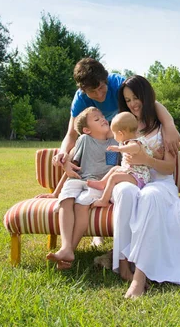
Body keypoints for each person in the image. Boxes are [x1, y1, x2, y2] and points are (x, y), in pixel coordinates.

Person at [51, 57, 180, 246]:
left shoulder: (117, 83)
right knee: (104, 169)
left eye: (101, 88)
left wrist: (169, 125)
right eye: (92, 92)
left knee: (113, 168)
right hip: (107, 142)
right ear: (83, 90)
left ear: (106, 80)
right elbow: (72, 133)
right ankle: (99, 232)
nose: (99, 95)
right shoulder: (80, 99)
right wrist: (63, 153)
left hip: (123, 140)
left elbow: (148, 102)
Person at [109, 75, 180, 298]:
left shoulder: (163, 128)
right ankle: (122, 266)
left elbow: (169, 168)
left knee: (150, 196)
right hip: (132, 180)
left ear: (146, 96)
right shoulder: (126, 126)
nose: (132, 103)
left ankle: (139, 277)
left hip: (160, 183)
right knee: (124, 191)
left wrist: (147, 160)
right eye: (128, 100)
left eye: (136, 97)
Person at [45, 107, 118, 269]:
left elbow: (111, 168)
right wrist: (56, 192)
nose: (103, 119)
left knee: (81, 205)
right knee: (66, 199)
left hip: (98, 183)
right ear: (86, 130)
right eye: (97, 119)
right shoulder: (84, 140)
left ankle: (70, 250)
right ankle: (65, 246)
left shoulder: (113, 143)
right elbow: (73, 167)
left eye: (103, 117)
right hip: (78, 178)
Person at [87, 111, 152, 208]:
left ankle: (103, 200)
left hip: (138, 177)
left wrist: (119, 148)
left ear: (121, 133)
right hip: (131, 172)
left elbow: (135, 148)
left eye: (114, 133)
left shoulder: (134, 142)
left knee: (114, 177)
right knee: (115, 168)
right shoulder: (133, 139)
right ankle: (102, 183)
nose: (113, 136)